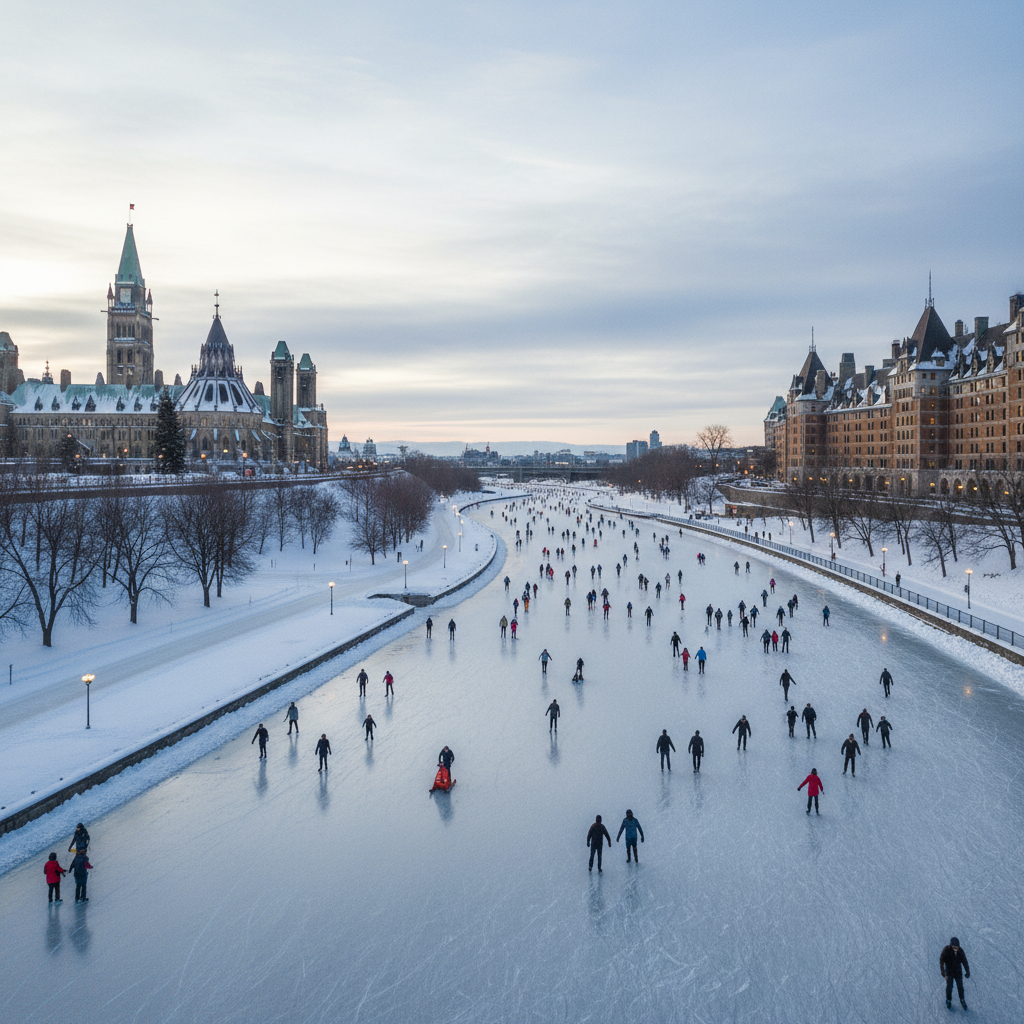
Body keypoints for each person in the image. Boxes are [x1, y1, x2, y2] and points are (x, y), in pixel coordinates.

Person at [940, 938, 970, 1010]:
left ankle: (962, 999)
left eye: (957, 947)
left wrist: (967, 971)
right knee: (949, 987)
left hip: (958, 972)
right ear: (951, 945)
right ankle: (948, 1000)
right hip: (949, 972)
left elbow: (964, 961)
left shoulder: (960, 951)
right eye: (954, 947)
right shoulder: (946, 950)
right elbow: (941, 961)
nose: (956, 949)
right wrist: (943, 973)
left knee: (960, 987)